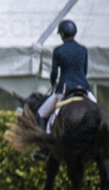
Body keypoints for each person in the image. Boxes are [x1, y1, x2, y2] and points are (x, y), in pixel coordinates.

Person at [34, 20, 97, 159]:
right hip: (84, 88)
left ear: (62, 34)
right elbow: (84, 71)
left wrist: (53, 83)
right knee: (100, 112)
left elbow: (54, 73)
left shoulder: (58, 50)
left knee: (41, 113)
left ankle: (45, 149)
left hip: (64, 89)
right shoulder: (83, 49)